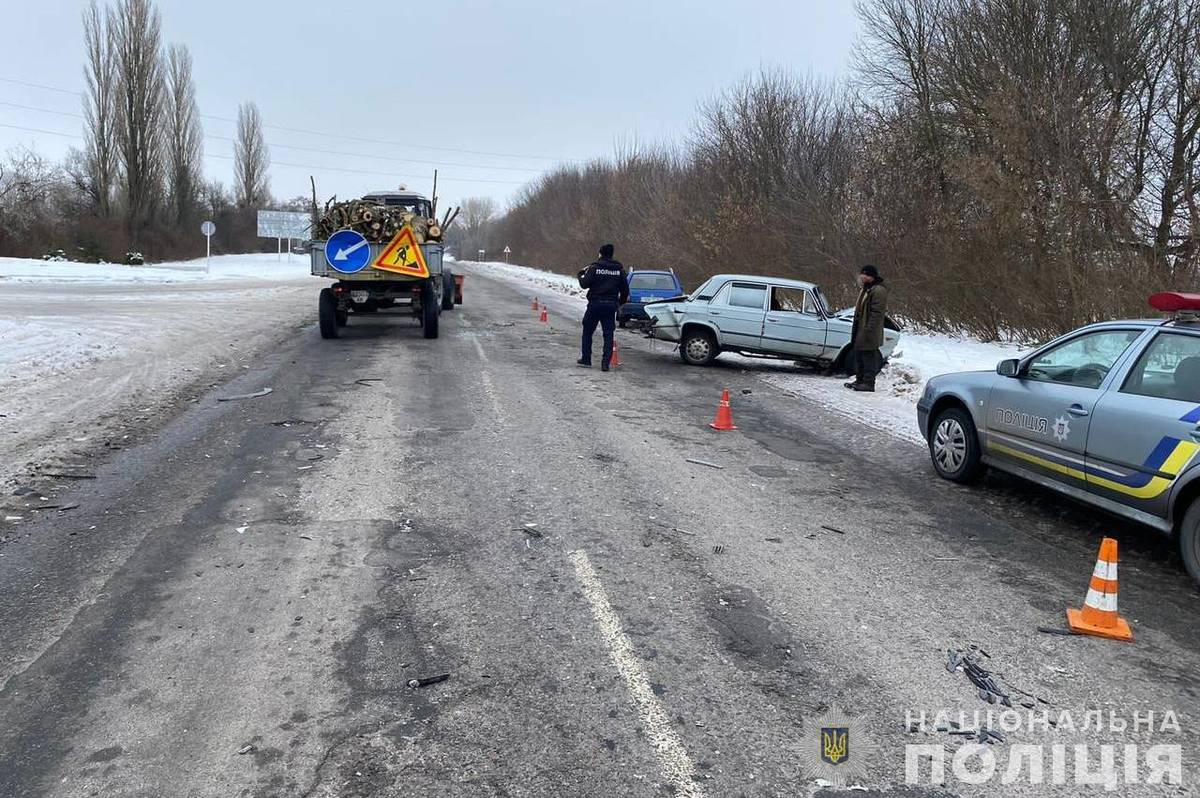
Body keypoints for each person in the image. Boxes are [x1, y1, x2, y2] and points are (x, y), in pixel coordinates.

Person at [577, 243, 629, 371]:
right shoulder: (619, 270)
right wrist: (619, 304)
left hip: (595, 304)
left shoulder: (595, 267)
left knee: (588, 331)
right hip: (610, 306)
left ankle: (586, 359)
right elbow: (625, 290)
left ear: (600, 253)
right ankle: (605, 363)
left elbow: (584, 284)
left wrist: (580, 274)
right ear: (611, 255)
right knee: (608, 334)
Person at [846, 264, 890, 392]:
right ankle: (860, 380)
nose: (861, 277)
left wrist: (869, 329)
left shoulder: (878, 290)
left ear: (870, 276)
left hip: (869, 330)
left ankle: (868, 383)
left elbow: (877, 312)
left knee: (868, 356)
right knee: (859, 354)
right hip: (861, 327)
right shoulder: (866, 289)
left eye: (864, 274)